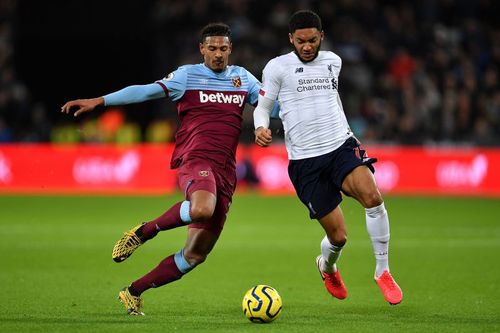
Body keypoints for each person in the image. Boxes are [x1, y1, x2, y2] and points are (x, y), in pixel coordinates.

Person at [61, 23, 264, 315]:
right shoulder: (186, 76)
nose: (218, 54)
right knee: (203, 208)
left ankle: (133, 292)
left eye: (223, 48)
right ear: (202, 49)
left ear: (230, 49)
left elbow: (270, 105)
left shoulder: (242, 78)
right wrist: (101, 101)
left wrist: (276, 119)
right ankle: (144, 231)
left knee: (195, 255)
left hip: (226, 171)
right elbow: (144, 92)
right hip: (196, 159)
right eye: (212, 48)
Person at [253, 10, 403, 305]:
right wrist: (261, 127)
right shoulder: (277, 67)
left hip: (340, 147)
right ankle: (327, 266)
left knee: (373, 198)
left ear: (321, 37)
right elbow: (263, 106)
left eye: (311, 40)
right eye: (300, 41)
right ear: (290, 39)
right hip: (305, 162)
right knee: (339, 238)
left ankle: (382, 271)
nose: (306, 47)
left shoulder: (334, 62)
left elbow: (332, 100)